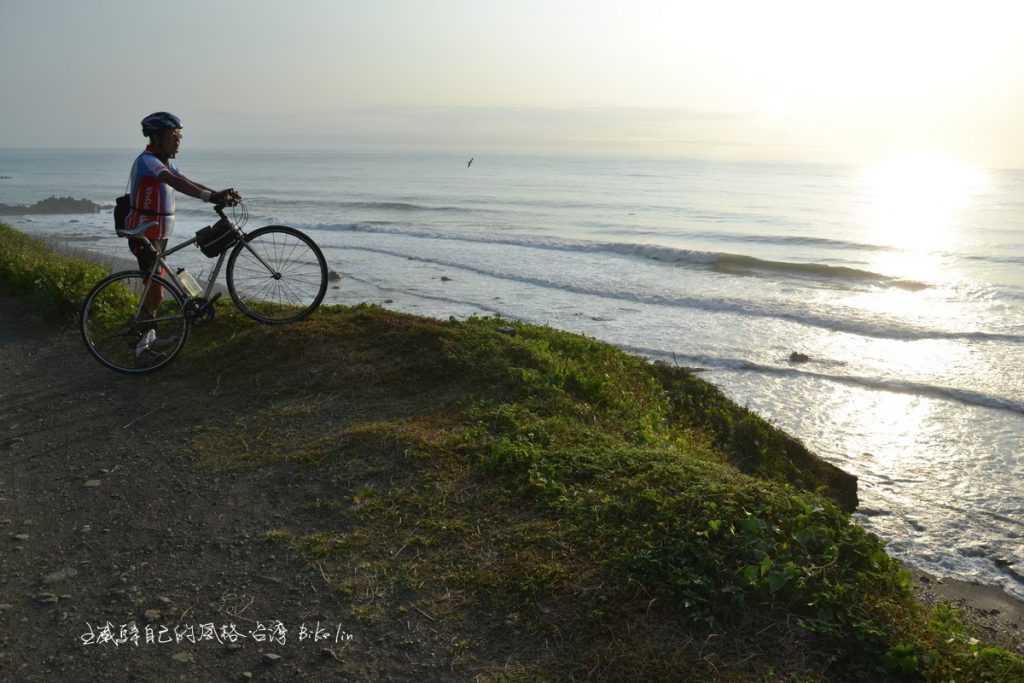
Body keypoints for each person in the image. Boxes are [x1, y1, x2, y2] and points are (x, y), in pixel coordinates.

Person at [122, 112, 240, 357]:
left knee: (154, 288)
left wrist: (216, 193)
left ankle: (148, 337)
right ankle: (142, 348)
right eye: (173, 135)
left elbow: (183, 178)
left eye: (180, 136)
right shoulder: (148, 161)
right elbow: (173, 182)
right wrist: (209, 197)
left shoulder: (163, 161)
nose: (178, 141)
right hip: (143, 234)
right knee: (156, 290)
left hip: (158, 234)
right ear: (157, 137)